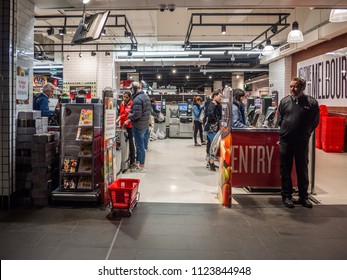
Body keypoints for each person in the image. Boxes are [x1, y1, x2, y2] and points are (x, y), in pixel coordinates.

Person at [278, 77, 320, 208]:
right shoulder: (284, 101)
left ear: (302, 88)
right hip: (286, 141)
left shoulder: (311, 103)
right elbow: (280, 119)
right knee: (285, 169)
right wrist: (286, 131)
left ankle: (303, 196)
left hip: (301, 142)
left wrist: (306, 133)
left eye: (295, 86)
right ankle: (286, 196)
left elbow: (314, 122)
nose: (292, 89)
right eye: (291, 86)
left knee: (302, 169)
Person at [125, 82, 151, 173]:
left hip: (138, 126)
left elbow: (137, 114)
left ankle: (141, 166)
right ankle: (138, 163)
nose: (131, 91)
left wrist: (129, 115)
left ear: (135, 88)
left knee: (139, 146)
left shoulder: (137, 99)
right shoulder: (146, 97)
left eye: (131, 89)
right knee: (141, 146)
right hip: (144, 126)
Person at [116, 91, 136, 169]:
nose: (125, 98)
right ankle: (123, 160)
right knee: (123, 144)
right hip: (122, 127)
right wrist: (116, 121)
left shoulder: (132, 104)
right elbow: (120, 115)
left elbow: (133, 115)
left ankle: (132, 161)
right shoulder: (121, 104)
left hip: (129, 126)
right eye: (124, 97)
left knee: (130, 143)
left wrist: (127, 121)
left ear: (130, 97)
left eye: (126, 97)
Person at [204, 90, 223, 171]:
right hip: (211, 128)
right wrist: (216, 121)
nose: (221, 98)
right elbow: (210, 114)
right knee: (214, 146)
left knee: (211, 144)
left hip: (212, 128)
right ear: (215, 95)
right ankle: (211, 162)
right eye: (220, 96)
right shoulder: (212, 104)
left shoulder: (216, 104)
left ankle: (210, 162)